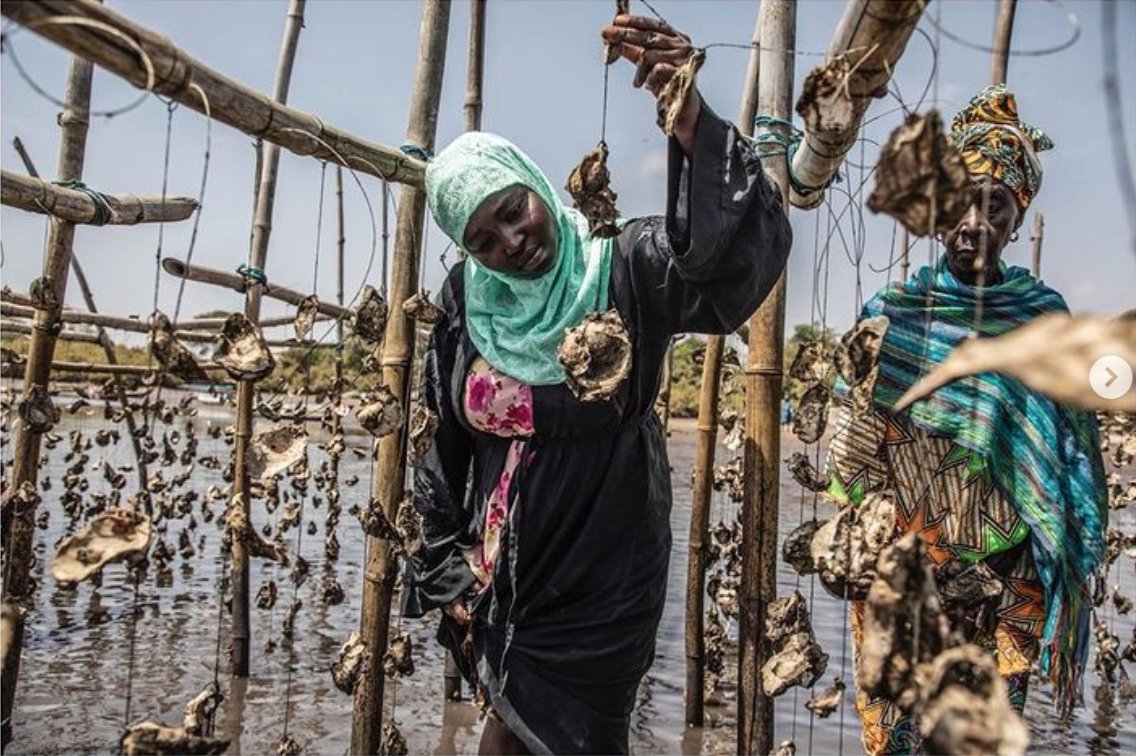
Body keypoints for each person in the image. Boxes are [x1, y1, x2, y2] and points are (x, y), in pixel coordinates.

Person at [400, 13, 791, 755]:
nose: (511, 243)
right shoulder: (466, 302)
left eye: (513, 211)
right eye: (483, 238)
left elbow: (720, 265)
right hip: (505, 582)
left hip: (603, 582)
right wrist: (448, 567)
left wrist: (689, 119)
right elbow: (440, 435)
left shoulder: (624, 263)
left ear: (535, 186)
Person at [826, 85, 1108, 755]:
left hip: (1004, 587)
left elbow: (1068, 463)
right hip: (904, 578)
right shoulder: (892, 315)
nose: (974, 222)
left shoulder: (1043, 321)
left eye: (996, 205)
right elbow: (849, 456)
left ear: (1018, 215)